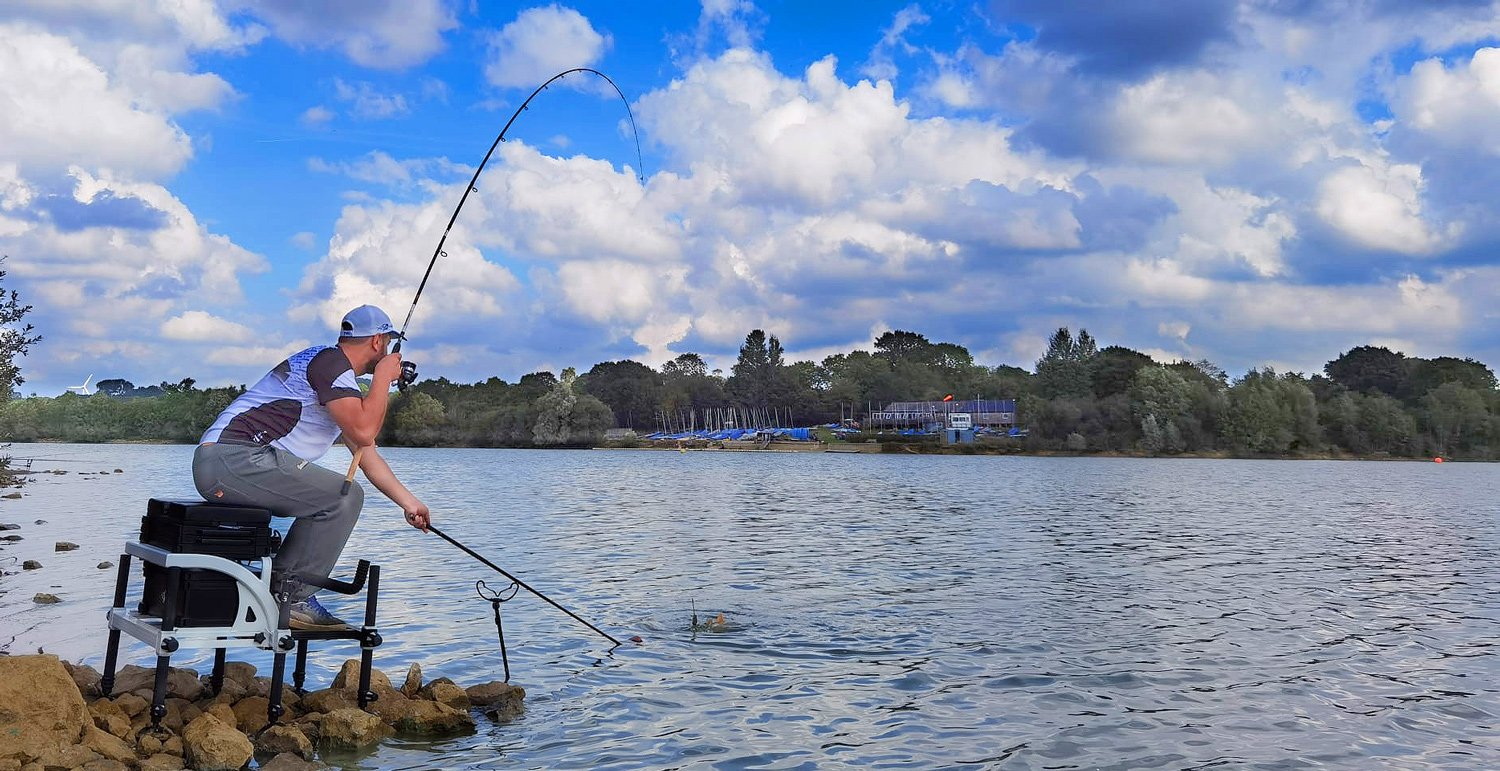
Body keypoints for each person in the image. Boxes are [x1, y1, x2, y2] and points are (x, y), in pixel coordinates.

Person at [192, 305, 431, 630]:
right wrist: (381, 379)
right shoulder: (330, 363)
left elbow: (367, 454)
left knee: (338, 497)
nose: (388, 351)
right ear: (377, 341)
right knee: (343, 498)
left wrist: (410, 504)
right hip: (233, 459)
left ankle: (285, 591)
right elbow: (365, 430)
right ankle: (292, 596)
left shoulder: (335, 377)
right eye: (387, 343)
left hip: (230, 462)